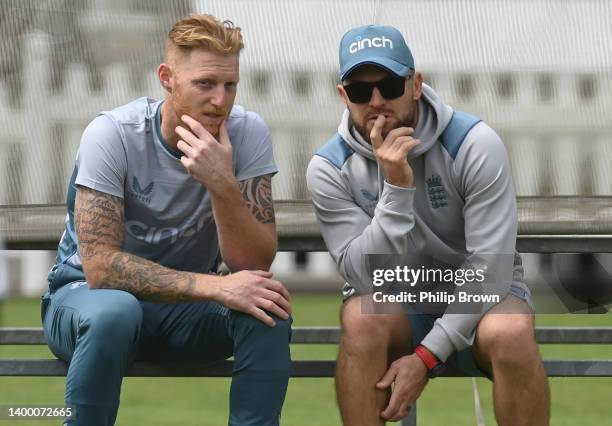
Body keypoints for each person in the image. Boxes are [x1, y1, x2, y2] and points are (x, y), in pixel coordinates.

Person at [41, 14, 292, 426]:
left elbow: (253, 265)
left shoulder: (247, 133)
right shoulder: (111, 135)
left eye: (230, 85)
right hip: (86, 301)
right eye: (205, 84)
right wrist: (216, 286)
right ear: (167, 77)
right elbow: (101, 267)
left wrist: (222, 185)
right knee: (115, 312)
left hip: (183, 312)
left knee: (268, 308)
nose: (220, 100)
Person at [307, 25, 550, 425]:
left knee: (510, 331)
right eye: (360, 91)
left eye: (389, 84)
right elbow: (361, 276)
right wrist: (397, 190)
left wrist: (426, 355)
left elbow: (491, 270)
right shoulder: (329, 167)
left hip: (484, 301)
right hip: (398, 303)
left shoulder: (474, 143)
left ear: (416, 84)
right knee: (360, 320)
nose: (377, 101)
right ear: (342, 96)